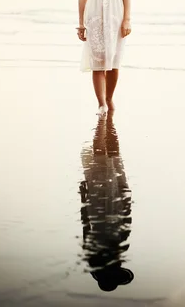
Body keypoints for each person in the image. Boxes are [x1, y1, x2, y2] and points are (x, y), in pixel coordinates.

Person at [79, 111, 134, 291]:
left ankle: (103, 118)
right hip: (112, 205)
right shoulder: (118, 252)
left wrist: (84, 197)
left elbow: (86, 225)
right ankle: (107, 119)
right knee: (112, 159)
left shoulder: (98, 256)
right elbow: (126, 220)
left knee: (103, 162)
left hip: (102, 207)